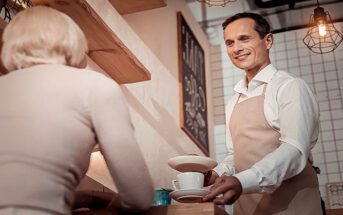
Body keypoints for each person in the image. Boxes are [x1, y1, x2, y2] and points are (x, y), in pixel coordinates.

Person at [0, 6, 154, 215]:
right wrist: (111, 208)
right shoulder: (96, 86)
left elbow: (18, 190)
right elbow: (139, 198)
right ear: (72, 44)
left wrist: (85, 197)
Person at [202, 12, 323, 215]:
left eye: (244, 39)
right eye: (229, 43)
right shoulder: (234, 101)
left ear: (267, 41)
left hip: (291, 206)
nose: (236, 49)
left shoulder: (290, 87)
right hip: (247, 208)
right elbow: (236, 157)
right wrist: (215, 174)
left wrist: (242, 181)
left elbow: (294, 149)